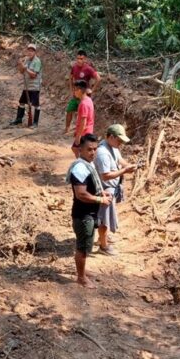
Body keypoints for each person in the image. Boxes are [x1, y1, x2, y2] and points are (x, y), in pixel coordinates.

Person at [65, 134, 112, 289]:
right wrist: (100, 200)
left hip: (88, 214)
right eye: (89, 149)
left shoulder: (87, 164)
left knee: (86, 245)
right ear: (80, 150)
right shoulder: (79, 168)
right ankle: (81, 278)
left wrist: (101, 193)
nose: (93, 152)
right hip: (83, 215)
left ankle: (83, 271)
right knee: (83, 247)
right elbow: (81, 194)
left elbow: (91, 187)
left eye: (95, 149)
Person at [93, 124, 136, 256]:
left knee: (106, 217)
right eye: (119, 140)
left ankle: (102, 238)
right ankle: (103, 246)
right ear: (111, 137)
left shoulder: (113, 147)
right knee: (104, 219)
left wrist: (128, 165)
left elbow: (119, 159)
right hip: (104, 191)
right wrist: (124, 170)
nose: (121, 144)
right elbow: (105, 176)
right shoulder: (102, 153)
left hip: (111, 188)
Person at [65, 50, 100, 134]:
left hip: (84, 96)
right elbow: (70, 77)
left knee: (82, 114)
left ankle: (80, 131)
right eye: (77, 58)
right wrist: (71, 89)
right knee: (69, 110)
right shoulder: (74, 67)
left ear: (85, 59)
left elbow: (98, 78)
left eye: (81, 58)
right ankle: (67, 128)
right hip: (76, 95)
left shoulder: (88, 69)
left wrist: (92, 90)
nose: (79, 60)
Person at [10, 43, 43, 128]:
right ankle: (19, 119)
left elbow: (34, 75)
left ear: (35, 52)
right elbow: (21, 71)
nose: (30, 52)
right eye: (29, 50)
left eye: (32, 51)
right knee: (21, 102)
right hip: (27, 86)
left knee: (35, 104)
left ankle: (35, 123)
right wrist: (20, 65)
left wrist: (26, 69)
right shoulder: (27, 60)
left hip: (35, 87)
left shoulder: (37, 61)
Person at [70, 80, 94, 158]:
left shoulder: (83, 104)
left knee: (76, 149)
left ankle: (81, 164)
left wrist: (78, 136)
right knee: (78, 150)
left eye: (75, 90)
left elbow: (83, 122)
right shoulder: (88, 100)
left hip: (84, 133)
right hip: (88, 131)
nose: (74, 92)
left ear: (79, 90)